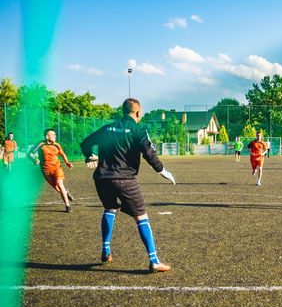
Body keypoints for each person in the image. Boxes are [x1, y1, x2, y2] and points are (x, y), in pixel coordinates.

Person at [80, 98, 176, 273]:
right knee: (141, 217)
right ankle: (154, 261)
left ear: (123, 112)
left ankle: (106, 250)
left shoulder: (107, 128)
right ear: (138, 112)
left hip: (102, 178)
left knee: (109, 209)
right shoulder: (138, 130)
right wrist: (162, 170)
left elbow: (85, 143)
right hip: (124, 179)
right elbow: (149, 152)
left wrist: (89, 155)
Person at [29, 129, 75, 212]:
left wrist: (67, 162)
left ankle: (68, 206)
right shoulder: (40, 144)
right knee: (57, 188)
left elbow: (63, 154)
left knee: (60, 184)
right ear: (47, 136)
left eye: (55, 134)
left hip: (57, 168)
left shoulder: (57, 145)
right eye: (53, 134)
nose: (55, 136)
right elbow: (30, 153)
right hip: (46, 170)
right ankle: (66, 193)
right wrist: (34, 160)